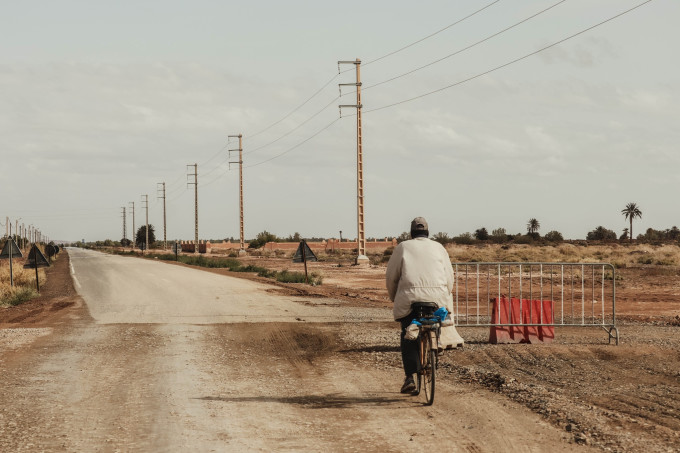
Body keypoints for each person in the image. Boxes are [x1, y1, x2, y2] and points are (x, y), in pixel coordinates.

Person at [386, 217, 465, 393]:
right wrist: (445, 294)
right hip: (437, 298)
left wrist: (393, 297)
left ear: (411, 233)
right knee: (435, 321)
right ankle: (435, 344)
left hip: (410, 300)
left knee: (408, 334)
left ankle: (409, 377)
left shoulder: (403, 247)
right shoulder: (439, 247)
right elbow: (449, 276)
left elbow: (391, 277)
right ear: (427, 232)